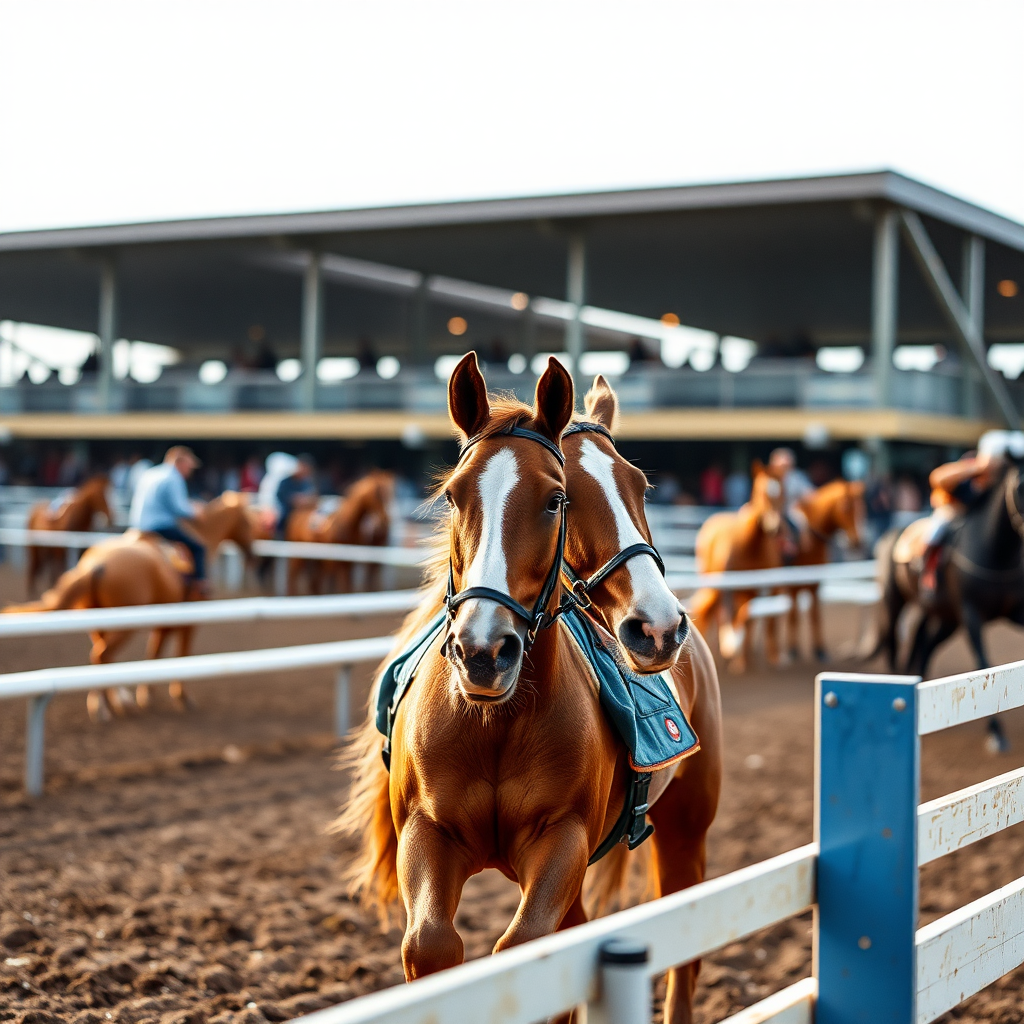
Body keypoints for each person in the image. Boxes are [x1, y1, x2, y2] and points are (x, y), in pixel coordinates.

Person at [918, 431, 1024, 591]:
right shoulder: (971, 464)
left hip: (981, 516)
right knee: (938, 529)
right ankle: (928, 570)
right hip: (956, 511)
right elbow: (937, 478)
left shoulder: (1005, 477)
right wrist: (978, 468)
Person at [129, 446, 207, 592]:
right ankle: (199, 583)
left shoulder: (152, 473)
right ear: (181, 463)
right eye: (189, 466)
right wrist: (196, 512)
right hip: (160, 526)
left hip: (138, 525)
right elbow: (179, 508)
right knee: (198, 547)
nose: (190, 470)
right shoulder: (173, 477)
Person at [274, 454, 318, 537]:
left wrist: (305, 500)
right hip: (288, 509)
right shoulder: (286, 481)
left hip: (303, 510)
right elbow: (281, 495)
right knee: (282, 517)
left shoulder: (307, 482)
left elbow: (313, 496)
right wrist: (293, 499)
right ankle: (280, 535)